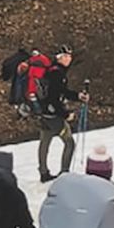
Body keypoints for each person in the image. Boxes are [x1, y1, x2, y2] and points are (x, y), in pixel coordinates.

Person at [33, 49, 86, 182]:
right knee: (69, 143)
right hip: (54, 115)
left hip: (43, 112)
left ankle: (44, 172)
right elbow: (55, 97)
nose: (69, 59)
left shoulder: (51, 71)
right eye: (66, 56)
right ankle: (64, 173)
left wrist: (77, 96)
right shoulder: (57, 74)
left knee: (45, 141)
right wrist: (65, 114)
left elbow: (61, 91)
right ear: (59, 58)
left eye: (70, 56)